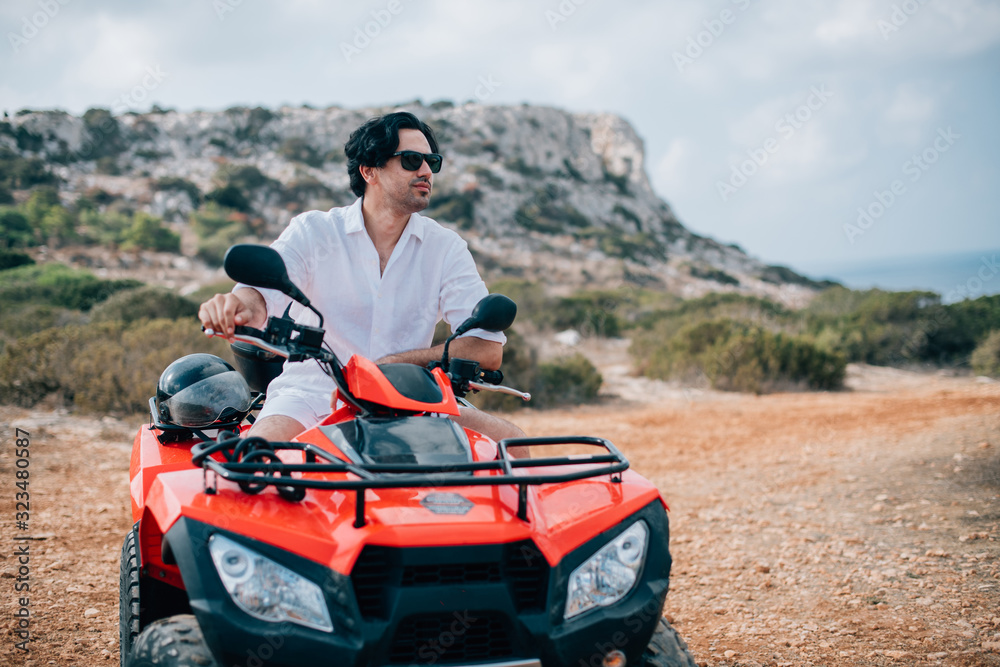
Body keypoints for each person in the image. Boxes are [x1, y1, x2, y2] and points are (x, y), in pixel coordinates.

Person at [198, 111, 526, 447]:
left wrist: (393, 366)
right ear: (369, 170)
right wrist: (233, 306)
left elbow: (487, 348)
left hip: (411, 397)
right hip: (310, 396)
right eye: (412, 160)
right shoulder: (314, 232)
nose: (426, 171)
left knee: (514, 447)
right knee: (257, 458)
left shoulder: (446, 248)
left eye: (432, 161)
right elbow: (259, 298)